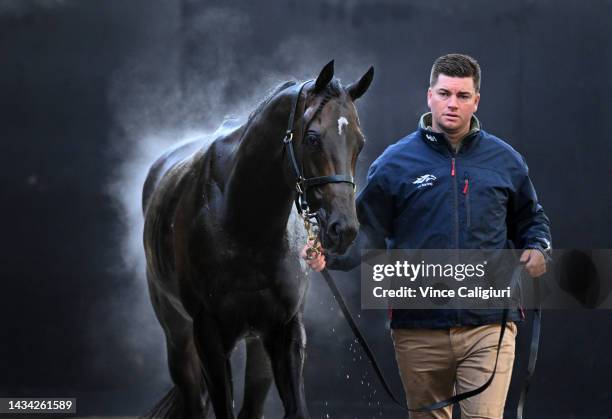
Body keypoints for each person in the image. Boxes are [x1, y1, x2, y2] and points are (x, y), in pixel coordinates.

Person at [301, 54, 552, 419]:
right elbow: (367, 232)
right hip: (417, 328)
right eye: (445, 93)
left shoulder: (505, 160)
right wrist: (329, 254)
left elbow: (531, 219)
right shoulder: (394, 163)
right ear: (429, 95)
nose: (453, 103)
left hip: (488, 326)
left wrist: (538, 247)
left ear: (476, 100)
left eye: (463, 96)